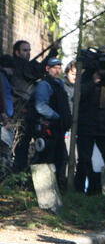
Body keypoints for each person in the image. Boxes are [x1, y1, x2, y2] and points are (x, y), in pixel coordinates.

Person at [74, 46, 105, 194]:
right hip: (86, 125)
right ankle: (79, 191)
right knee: (84, 159)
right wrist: (94, 81)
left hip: (104, 126)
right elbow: (78, 95)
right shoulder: (88, 75)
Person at [10, 40, 60, 173]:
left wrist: (52, 52)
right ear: (17, 52)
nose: (28, 53)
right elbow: (37, 70)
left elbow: (38, 69)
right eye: (25, 50)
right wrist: (52, 52)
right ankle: (16, 175)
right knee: (20, 147)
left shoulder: (25, 66)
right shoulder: (17, 66)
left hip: (27, 113)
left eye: (29, 50)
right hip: (19, 114)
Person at [27, 57, 72, 190]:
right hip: (48, 128)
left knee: (60, 158)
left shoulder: (59, 84)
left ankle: (58, 187)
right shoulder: (44, 85)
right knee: (46, 158)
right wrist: (58, 117)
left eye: (59, 68)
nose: (58, 71)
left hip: (58, 129)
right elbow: (41, 107)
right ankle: (41, 189)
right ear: (47, 69)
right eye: (55, 68)